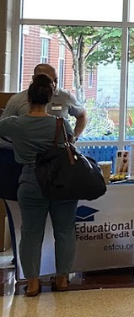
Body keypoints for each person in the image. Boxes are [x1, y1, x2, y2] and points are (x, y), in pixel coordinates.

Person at [0, 74, 77, 297]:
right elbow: (70, 142)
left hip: (30, 179)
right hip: (61, 181)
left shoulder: (14, 124)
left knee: (31, 233)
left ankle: (33, 283)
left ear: (28, 98)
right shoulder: (60, 124)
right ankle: (62, 279)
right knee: (65, 230)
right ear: (50, 98)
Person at [1, 64, 87, 141]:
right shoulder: (17, 100)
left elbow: (82, 115)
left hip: (55, 152)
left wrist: (74, 137)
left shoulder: (65, 98)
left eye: (56, 80)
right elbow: (3, 132)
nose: (53, 84)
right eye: (47, 81)